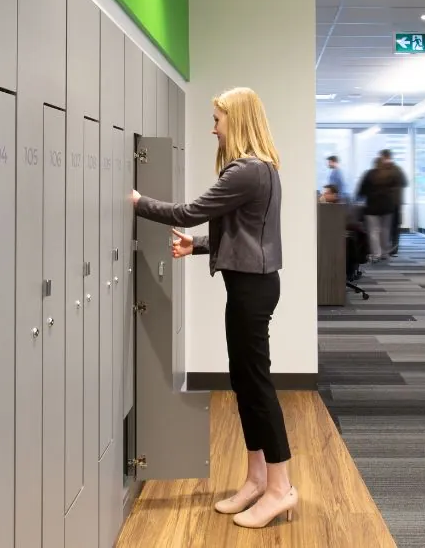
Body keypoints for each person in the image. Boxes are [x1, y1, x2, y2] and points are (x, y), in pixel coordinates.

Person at [129, 86, 296, 528]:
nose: (213, 127)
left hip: (251, 290)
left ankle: (281, 488)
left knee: (256, 386)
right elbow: (244, 234)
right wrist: (200, 245)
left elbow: (189, 210)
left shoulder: (247, 171)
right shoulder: (262, 170)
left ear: (236, 122)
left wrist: (135, 202)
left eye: (217, 120)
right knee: (244, 382)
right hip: (251, 284)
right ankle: (257, 478)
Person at [355, 156, 399, 262]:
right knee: (385, 231)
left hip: (372, 207)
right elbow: (395, 190)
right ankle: (384, 253)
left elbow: (361, 189)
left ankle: (376, 254)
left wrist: (359, 198)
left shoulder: (369, 174)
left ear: (374, 164)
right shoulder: (390, 175)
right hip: (387, 207)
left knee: (373, 231)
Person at [379, 149, 408, 256]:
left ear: (384, 157)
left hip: (391, 203)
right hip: (395, 202)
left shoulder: (387, 170)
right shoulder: (397, 169)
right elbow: (405, 183)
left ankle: (390, 248)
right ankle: (392, 248)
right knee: (393, 226)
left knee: (390, 226)